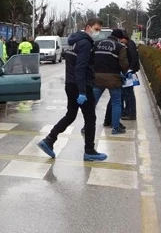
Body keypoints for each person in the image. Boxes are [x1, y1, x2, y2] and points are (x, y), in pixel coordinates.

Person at [36, 18, 108, 162]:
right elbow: (80, 68)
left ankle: (49, 140)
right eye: (96, 29)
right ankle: (89, 151)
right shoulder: (85, 44)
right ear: (88, 28)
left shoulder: (74, 42)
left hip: (70, 84)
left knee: (71, 115)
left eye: (99, 30)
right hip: (81, 85)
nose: (98, 32)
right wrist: (82, 91)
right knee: (90, 118)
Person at [93, 29, 129, 135]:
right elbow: (124, 64)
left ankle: (86, 127)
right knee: (116, 103)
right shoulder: (120, 47)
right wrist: (124, 72)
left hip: (97, 78)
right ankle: (116, 127)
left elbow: (90, 59)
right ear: (119, 38)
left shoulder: (97, 44)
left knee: (92, 103)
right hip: (113, 78)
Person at [104, 30, 140, 124]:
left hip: (128, 72)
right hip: (127, 72)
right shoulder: (127, 44)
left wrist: (130, 70)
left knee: (128, 93)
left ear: (124, 38)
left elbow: (134, 58)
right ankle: (126, 111)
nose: (120, 41)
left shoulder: (130, 45)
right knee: (126, 93)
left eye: (121, 39)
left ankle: (131, 113)